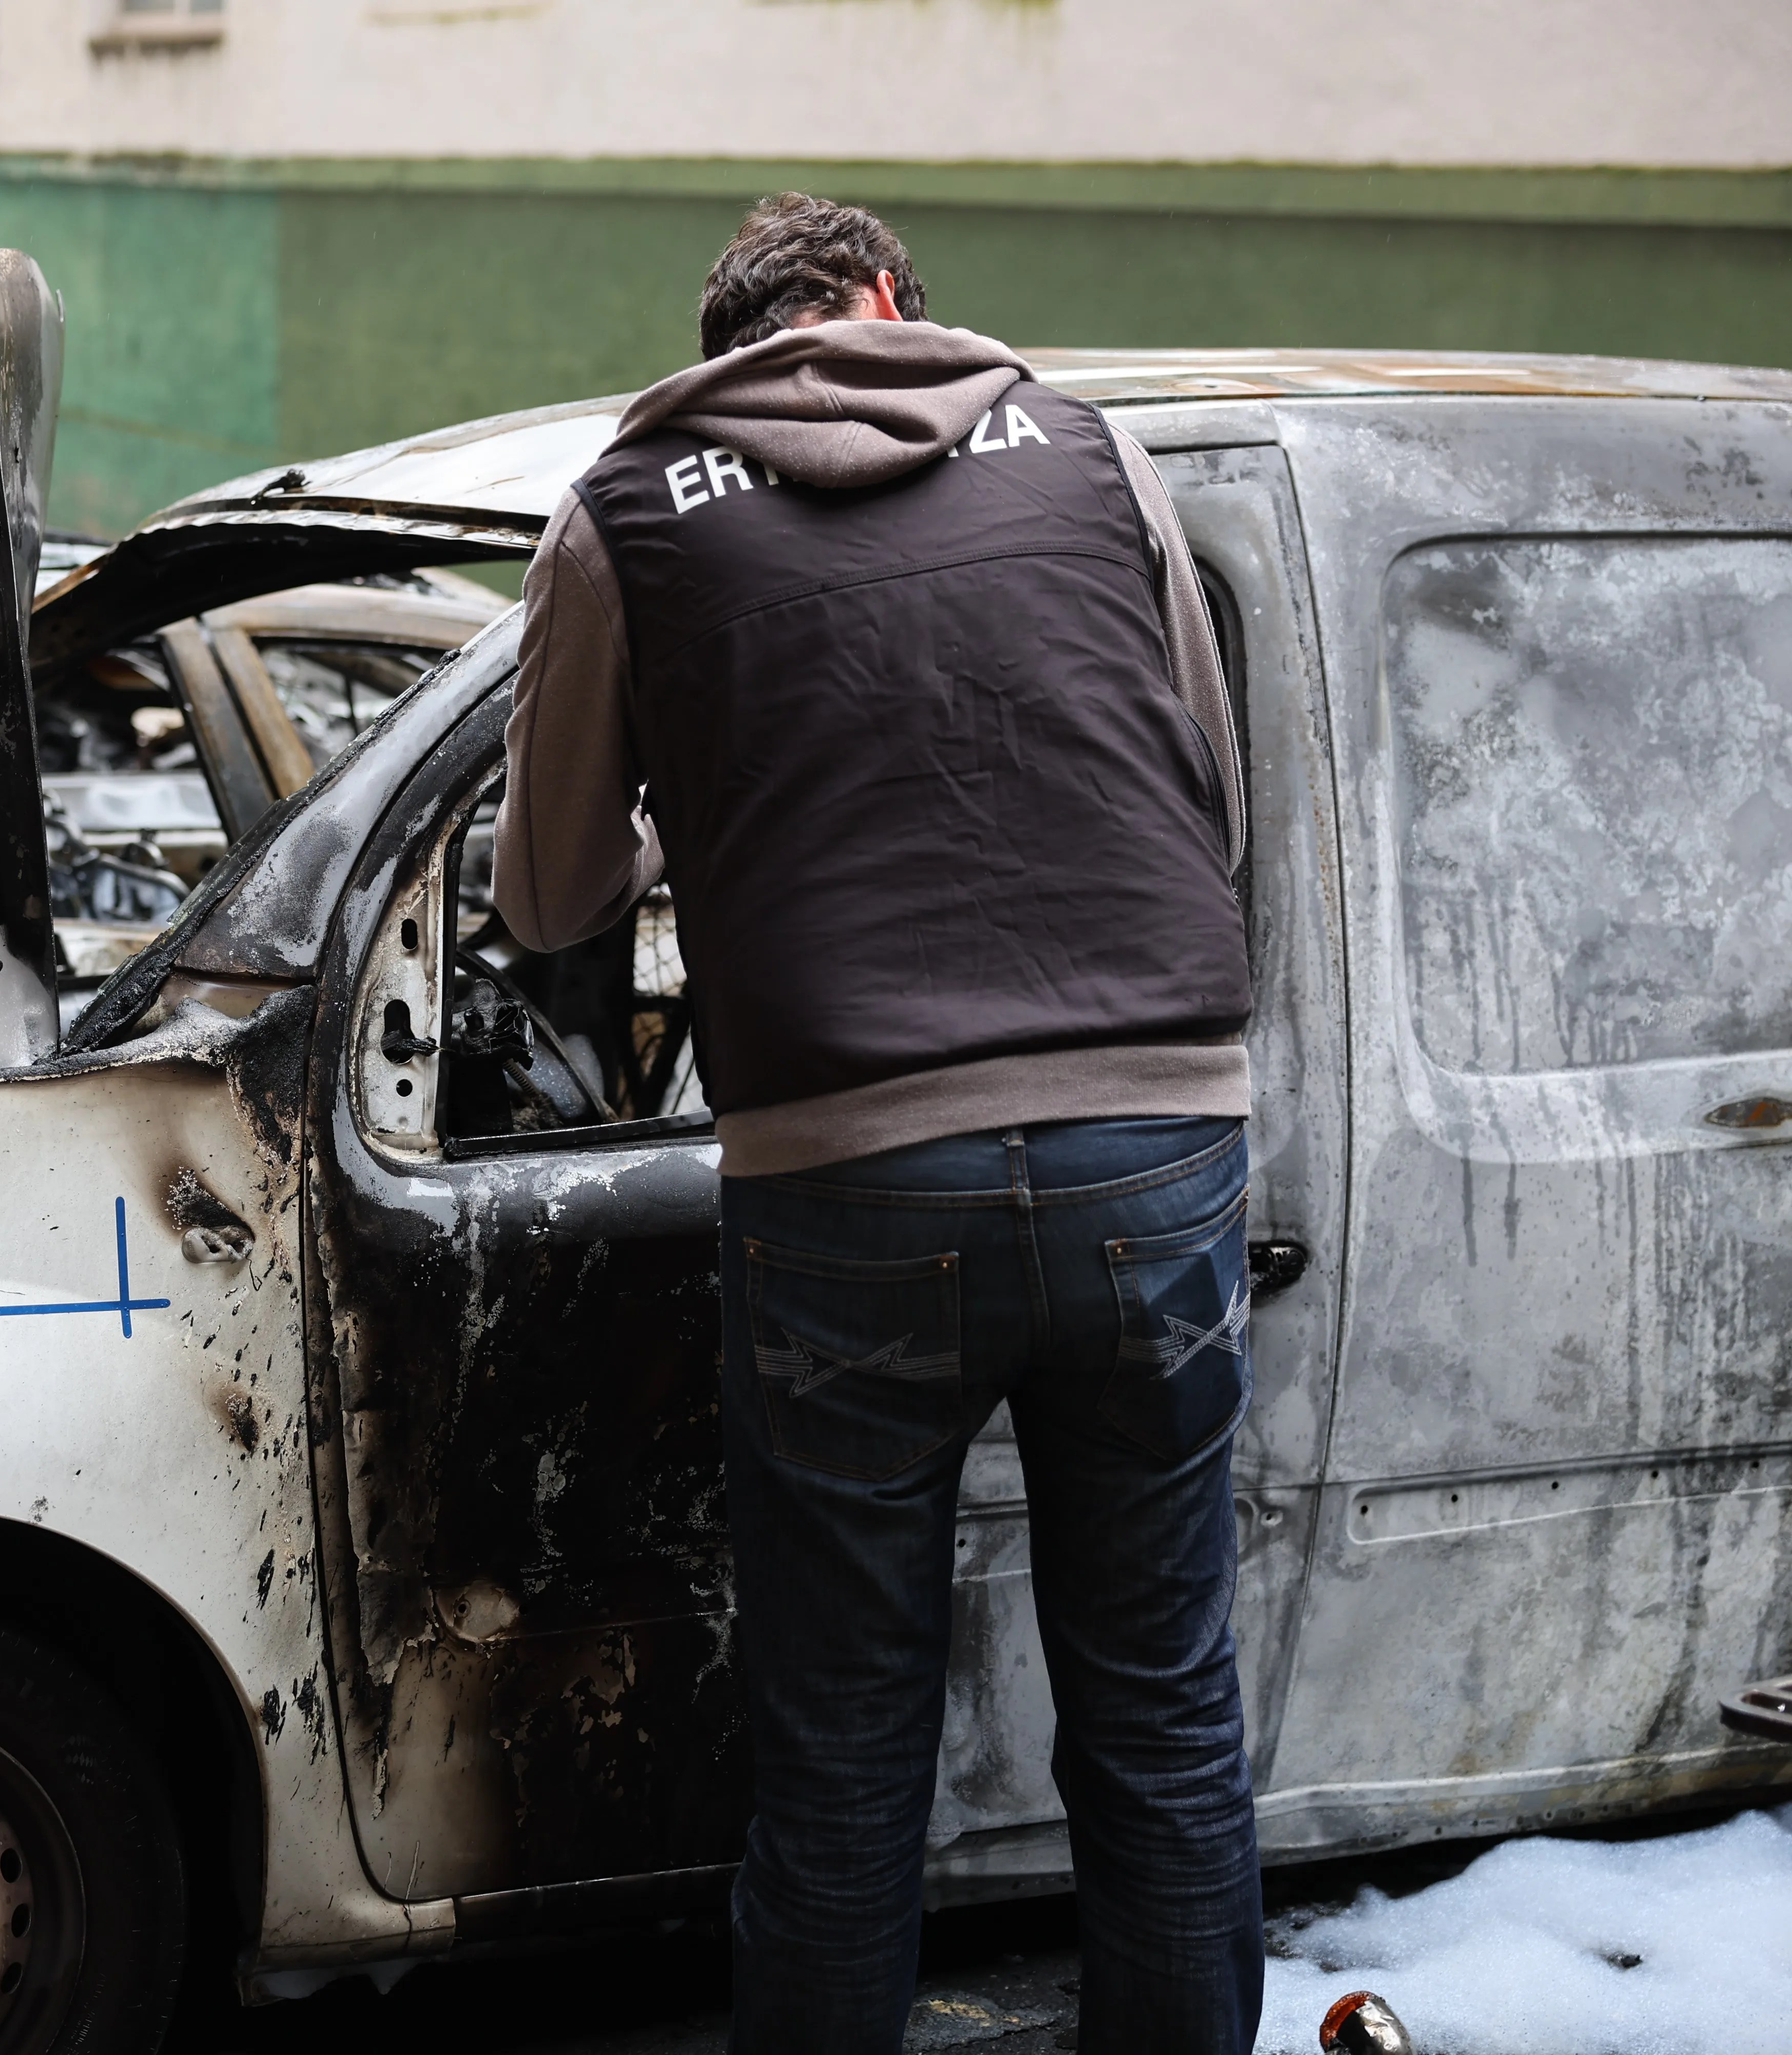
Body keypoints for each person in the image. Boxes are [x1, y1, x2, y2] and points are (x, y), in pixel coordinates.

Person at [495, 195, 1262, 2054]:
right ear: (897, 306)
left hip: (852, 1175)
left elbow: (552, 898)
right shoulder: (1094, 451)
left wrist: (716, 824)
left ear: (730, 341)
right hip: (1149, 1142)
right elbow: (1207, 796)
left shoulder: (627, 510)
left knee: (844, 1757)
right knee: (1162, 1716)